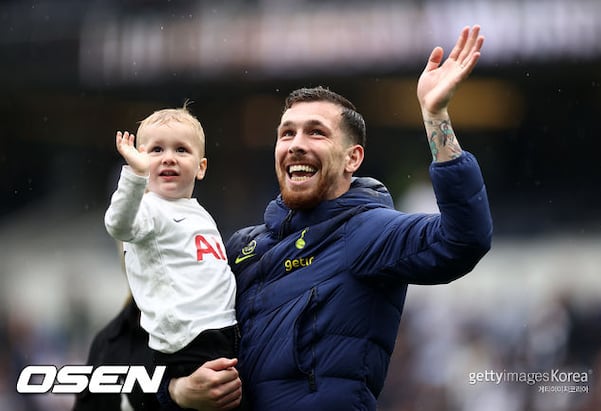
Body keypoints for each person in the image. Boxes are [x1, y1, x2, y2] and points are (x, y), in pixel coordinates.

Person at [164, 24, 492, 411]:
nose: (296, 144)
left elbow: (463, 239)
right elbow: (173, 339)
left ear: (353, 158)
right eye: (287, 134)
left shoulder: (366, 231)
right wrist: (178, 391)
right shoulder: (241, 248)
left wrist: (436, 116)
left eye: (316, 133)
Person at [104, 105, 240, 396]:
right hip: (188, 342)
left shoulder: (199, 213)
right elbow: (118, 225)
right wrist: (135, 175)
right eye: (156, 150)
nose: (168, 157)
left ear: (201, 167)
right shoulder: (148, 209)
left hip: (222, 332)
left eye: (181, 149)